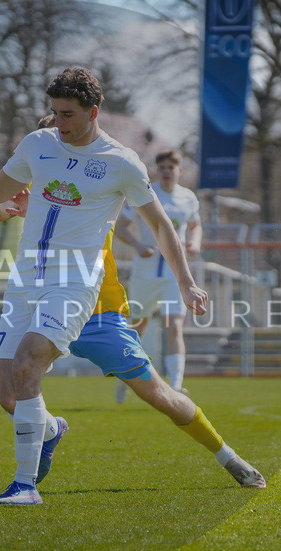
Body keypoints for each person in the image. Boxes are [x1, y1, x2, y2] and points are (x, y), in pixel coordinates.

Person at [0, 151, 266, 492]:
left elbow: (152, 223)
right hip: (42, 308)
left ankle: (228, 456)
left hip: (99, 313)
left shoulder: (92, 190)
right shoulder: (38, 184)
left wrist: (187, 282)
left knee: (161, 396)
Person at [0, 67, 209, 505]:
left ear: (94, 112)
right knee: (6, 392)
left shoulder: (121, 162)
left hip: (77, 285)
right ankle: (51, 430)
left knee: (29, 361)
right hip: (25, 281)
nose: (59, 122)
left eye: (68, 114)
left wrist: (187, 283)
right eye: (54, 112)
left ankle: (24, 486)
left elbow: (162, 226)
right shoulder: (38, 145)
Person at [114, 150, 202, 403]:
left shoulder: (188, 198)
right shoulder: (146, 194)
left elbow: (195, 226)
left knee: (174, 327)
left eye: (170, 167)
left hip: (175, 276)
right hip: (146, 274)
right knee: (137, 329)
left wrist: (194, 243)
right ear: (157, 170)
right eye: (161, 167)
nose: (166, 171)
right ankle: (125, 379)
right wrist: (138, 245)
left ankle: (175, 386)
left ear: (179, 171)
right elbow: (120, 226)